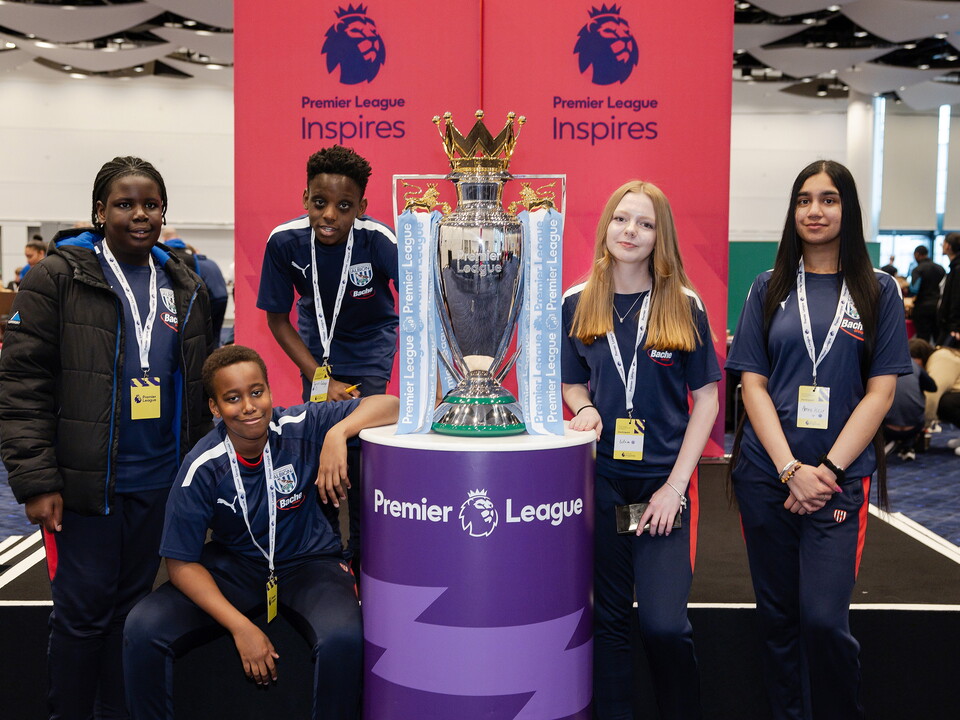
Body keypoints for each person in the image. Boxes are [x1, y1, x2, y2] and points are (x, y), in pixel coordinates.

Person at [0, 156, 213, 719]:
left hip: (160, 484)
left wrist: (196, 480)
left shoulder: (184, 282)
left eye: (150, 204)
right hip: (85, 487)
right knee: (82, 616)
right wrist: (36, 479)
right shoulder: (58, 277)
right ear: (99, 211)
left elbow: (196, 388)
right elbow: (22, 384)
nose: (139, 215)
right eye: (124, 204)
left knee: (131, 613)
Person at [726, 160, 911, 720]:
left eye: (828, 199)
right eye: (804, 199)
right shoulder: (769, 286)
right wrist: (789, 469)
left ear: (848, 209)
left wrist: (825, 470)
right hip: (767, 477)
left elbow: (880, 395)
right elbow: (751, 386)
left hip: (836, 485)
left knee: (824, 621)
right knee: (778, 620)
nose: (814, 210)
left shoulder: (879, 291)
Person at [123, 345, 399, 720]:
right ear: (215, 408)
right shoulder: (202, 467)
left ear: (270, 391)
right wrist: (240, 628)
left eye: (257, 392)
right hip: (238, 564)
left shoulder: (301, 426)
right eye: (233, 398)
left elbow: (391, 405)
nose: (249, 406)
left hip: (311, 564)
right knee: (142, 628)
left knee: (343, 639)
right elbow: (180, 563)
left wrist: (338, 433)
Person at [561, 180, 720, 719]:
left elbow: (705, 402)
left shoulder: (685, 305)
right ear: (606, 225)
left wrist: (674, 489)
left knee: (663, 624)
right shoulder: (577, 304)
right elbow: (573, 382)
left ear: (661, 237)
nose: (632, 231)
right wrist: (582, 407)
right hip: (601, 480)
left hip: (663, 487)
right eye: (623, 219)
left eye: (646, 224)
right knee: (607, 621)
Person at [257, 144, 398, 572]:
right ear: (305, 199)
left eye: (344, 206)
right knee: (317, 438)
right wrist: (319, 374)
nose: (330, 216)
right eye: (320, 203)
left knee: (359, 443)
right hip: (315, 347)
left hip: (371, 341)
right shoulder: (284, 242)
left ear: (362, 206)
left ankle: (362, 551)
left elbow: (419, 307)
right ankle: (324, 551)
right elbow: (277, 320)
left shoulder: (379, 239)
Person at [160, 226, 229, 346]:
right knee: (211, 333)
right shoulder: (190, 253)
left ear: (164, 238)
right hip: (208, 297)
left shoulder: (163, 253)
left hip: (179, 299)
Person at [883, 338, 936, 460]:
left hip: (887, 427)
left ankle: (887, 442)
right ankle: (907, 446)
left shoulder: (886, 363)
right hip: (914, 427)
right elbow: (933, 388)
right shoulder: (916, 367)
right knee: (918, 394)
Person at [908, 244, 944, 343]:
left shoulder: (918, 269)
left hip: (922, 307)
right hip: (938, 307)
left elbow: (914, 289)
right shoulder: (940, 268)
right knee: (938, 338)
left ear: (917, 254)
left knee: (923, 338)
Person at [937, 232, 960, 346]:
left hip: (952, 328)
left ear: (948, 246)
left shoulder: (957, 269)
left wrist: (954, 326)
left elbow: (956, 298)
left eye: (943, 243)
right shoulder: (954, 267)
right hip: (949, 324)